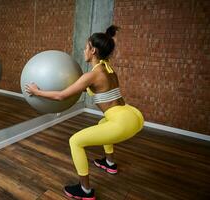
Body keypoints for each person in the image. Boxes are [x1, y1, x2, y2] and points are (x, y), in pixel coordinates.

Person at [25, 25, 144, 200]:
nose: (83, 50)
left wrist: (37, 92)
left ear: (93, 50)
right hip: (132, 115)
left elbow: (61, 96)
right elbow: (92, 89)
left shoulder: (92, 75)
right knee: (103, 124)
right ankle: (109, 163)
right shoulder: (108, 69)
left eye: (86, 47)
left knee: (75, 141)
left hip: (121, 122)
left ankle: (85, 190)